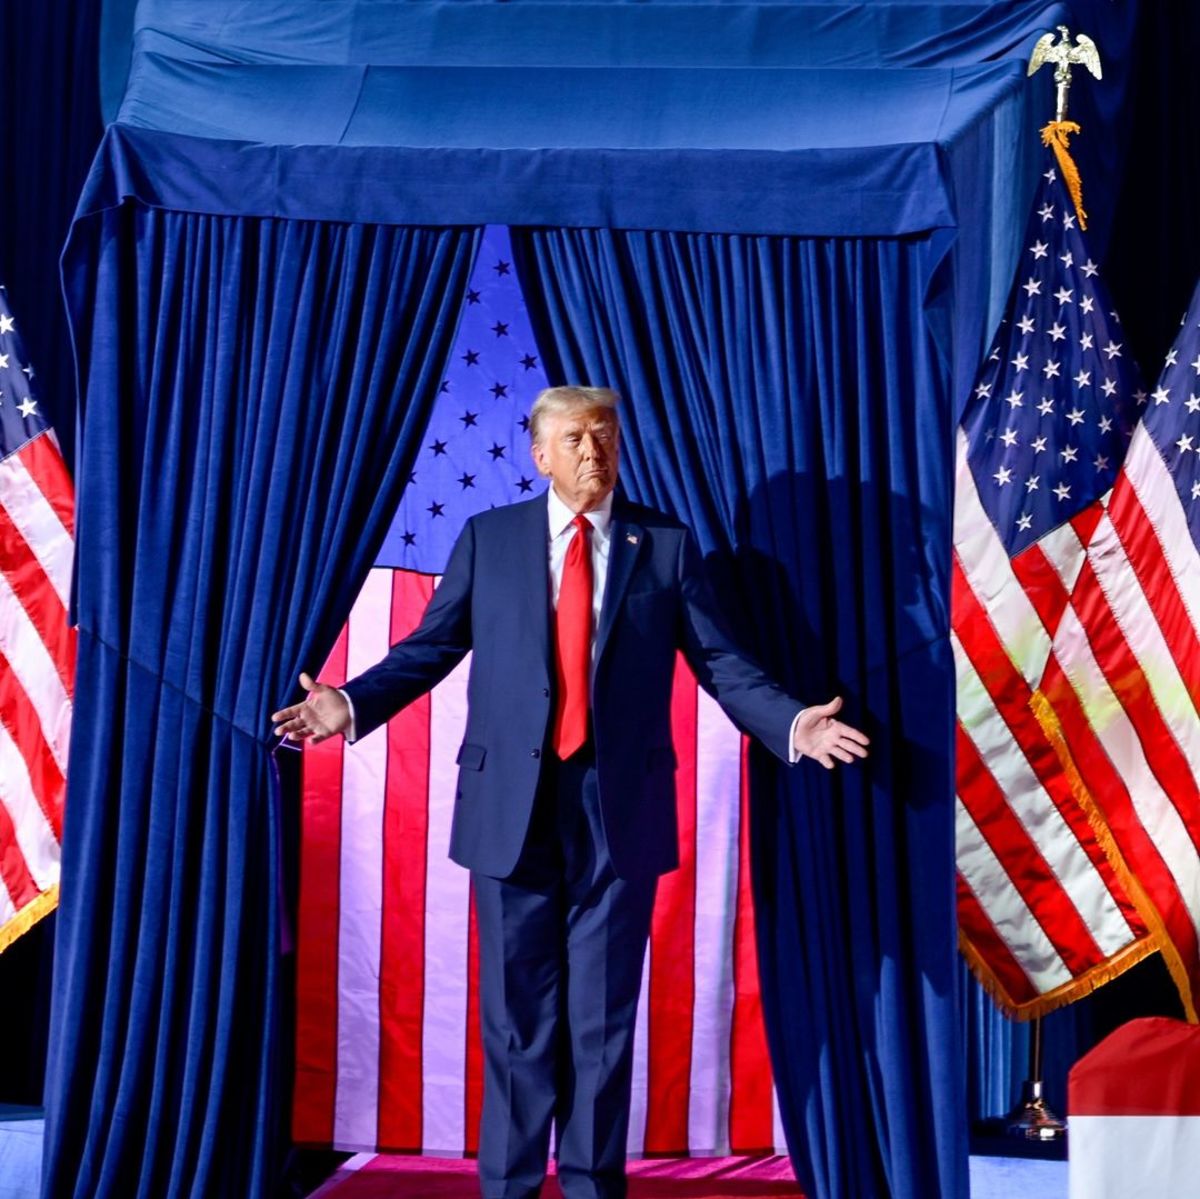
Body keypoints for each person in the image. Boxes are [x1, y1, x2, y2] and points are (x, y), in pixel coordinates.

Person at [272, 386, 868, 1199]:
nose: (593, 451)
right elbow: (430, 646)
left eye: (605, 436)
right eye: (575, 438)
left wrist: (793, 723)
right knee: (519, 1023)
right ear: (540, 453)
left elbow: (723, 664)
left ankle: (592, 1188)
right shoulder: (491, 539)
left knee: (599, 1026)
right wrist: (348, 701)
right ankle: (510, 1188)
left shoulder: (664, 545)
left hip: (616, 810)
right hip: (508, 807)